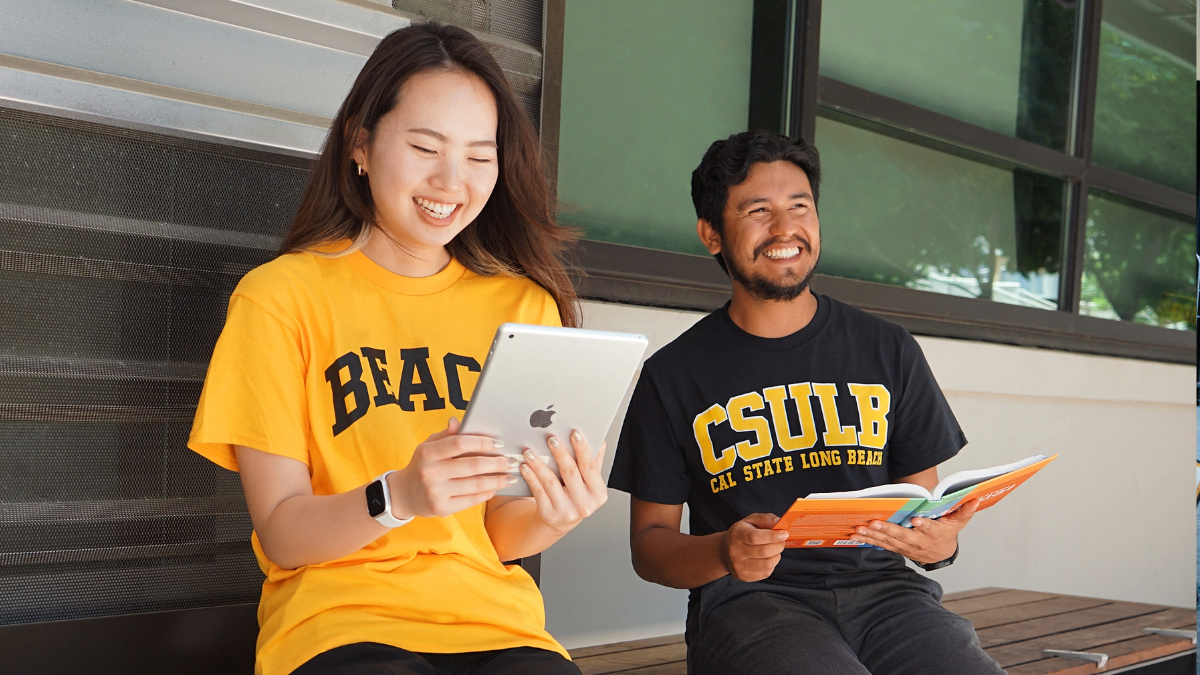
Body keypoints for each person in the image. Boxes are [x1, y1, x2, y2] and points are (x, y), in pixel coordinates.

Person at [188, 23, 606, 675]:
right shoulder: (279, 298)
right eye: (425, 146)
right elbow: (282, 531)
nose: (452, 180)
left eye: (478, 154)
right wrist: (401, 495)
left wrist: (558, 512)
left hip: (494, 624)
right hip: (337, 622)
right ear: (361, 143)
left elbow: (497, 532)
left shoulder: (524, 308)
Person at [607, 130, 1006, 675]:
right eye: (758, 211)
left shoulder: (888, 349)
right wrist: (724, 551)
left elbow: (920, 504)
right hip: (750, 606)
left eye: (800, 207)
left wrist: (937, 544)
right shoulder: (672, 376)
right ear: (712, 234)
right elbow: (649, 547)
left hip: (889, 597)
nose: (785, 229)